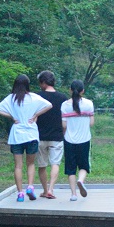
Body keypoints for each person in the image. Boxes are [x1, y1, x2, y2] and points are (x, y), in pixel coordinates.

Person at [0, 74, 52, 202]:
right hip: (31, 134)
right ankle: (30, 186)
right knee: (30, 164)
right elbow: (49, 105)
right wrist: (35, 115)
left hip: (17, 136)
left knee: (18, 166)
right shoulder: (33, 97)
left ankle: (20, 193)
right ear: (27, 85)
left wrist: (12, 116)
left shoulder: (11, 98)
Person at [61, 80, 94, 201]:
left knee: (70, 169)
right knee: (84, 165)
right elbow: (91, 123)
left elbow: (64, 125)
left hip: (69, 140)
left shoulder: (65, 105)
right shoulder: (89, 104)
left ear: (70, 90)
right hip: (84, 139)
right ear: (83, 91)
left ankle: (73, 194)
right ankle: (80, 180)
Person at [34, 70, 64, 199]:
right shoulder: (63, 98)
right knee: (55, 164)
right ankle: (51, 189)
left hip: (40, 136)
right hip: (57, 136)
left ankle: (45, 190)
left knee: (42, 165)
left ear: (43, 82)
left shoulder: (36, 97)